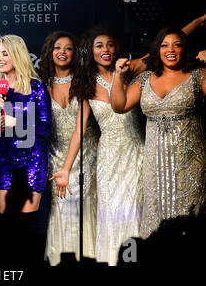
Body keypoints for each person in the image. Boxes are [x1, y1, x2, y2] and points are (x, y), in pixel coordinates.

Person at [50, 26, 147, 266]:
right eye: (99, 45)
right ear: (90, 51)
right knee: (114, 212)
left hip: (138, 153)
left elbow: (161, 48)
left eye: (110, 44)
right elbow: (78, 131)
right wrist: (65, 168)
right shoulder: (85, 84)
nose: (106, 49)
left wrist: (197, 21)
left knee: (138, 210)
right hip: (109, 158)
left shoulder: (128, 70)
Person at [110, 26, 206, 239]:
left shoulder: (198, 76)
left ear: (185, 49)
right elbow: (119, 105)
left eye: (177, 44)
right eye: (164, 45)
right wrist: (118, 76)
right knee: (156, 217)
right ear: (157, 50)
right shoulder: (145, 79)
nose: (170, 50)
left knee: (189, 219)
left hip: (189, 163)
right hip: (155, 164)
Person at [0, 34, 52, 265]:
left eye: (5, 53)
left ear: (17, 55)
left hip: (33, 159)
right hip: (5, 160)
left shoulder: (36, 87)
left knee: (27, 225)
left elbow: (45, 126)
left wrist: (16, 121)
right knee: (5, 223)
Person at [40, 31, 99, 266]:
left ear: (75, 54)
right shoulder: (41, 85)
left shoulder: (83, 81)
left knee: (83, 203)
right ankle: (60, 259)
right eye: (57, 47)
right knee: (60, 208)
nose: (62, 52)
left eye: (68, 48)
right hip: (55, 153)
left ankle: (88, 258)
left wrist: (67, 168)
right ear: (49, 52)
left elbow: (80, 130)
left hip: (86, 153)